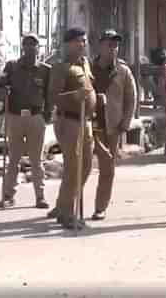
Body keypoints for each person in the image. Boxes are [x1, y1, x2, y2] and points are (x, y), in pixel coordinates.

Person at [0, 33, 52, 209]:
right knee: (13, 159)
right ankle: (8, 195)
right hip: (15, 117)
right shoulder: (12, 67)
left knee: (36, 160)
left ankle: (40, 196)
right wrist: (3, 93)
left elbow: (50, 96)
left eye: (33, 45)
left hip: (36, 118)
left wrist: (46, 115)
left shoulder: (45, 70)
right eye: (27, 44)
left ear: (38, 48)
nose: (30, 48)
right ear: (22, 47)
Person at [46, 27, 96, 230]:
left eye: (84, 41)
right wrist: (74, 97)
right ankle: (67, 213)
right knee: (73, 168)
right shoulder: (60, 67)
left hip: (86, 121)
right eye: (78, 41)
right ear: (67, 44)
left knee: (86, 167)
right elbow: (52, 97)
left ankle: (62, 205)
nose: (82, 44)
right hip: (69, 122)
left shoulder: (85, 63)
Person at [90, 29, 137, 221]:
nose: (113, 48)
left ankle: (100, 207)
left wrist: (125, 122)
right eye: (109, 44)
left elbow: (131, 98)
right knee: (81, 167)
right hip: (89, 124)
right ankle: (68, 206)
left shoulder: (123, 71)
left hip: (111, 126)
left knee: (107, 168)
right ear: (100, 46)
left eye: (115, 45)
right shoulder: (87, 68)